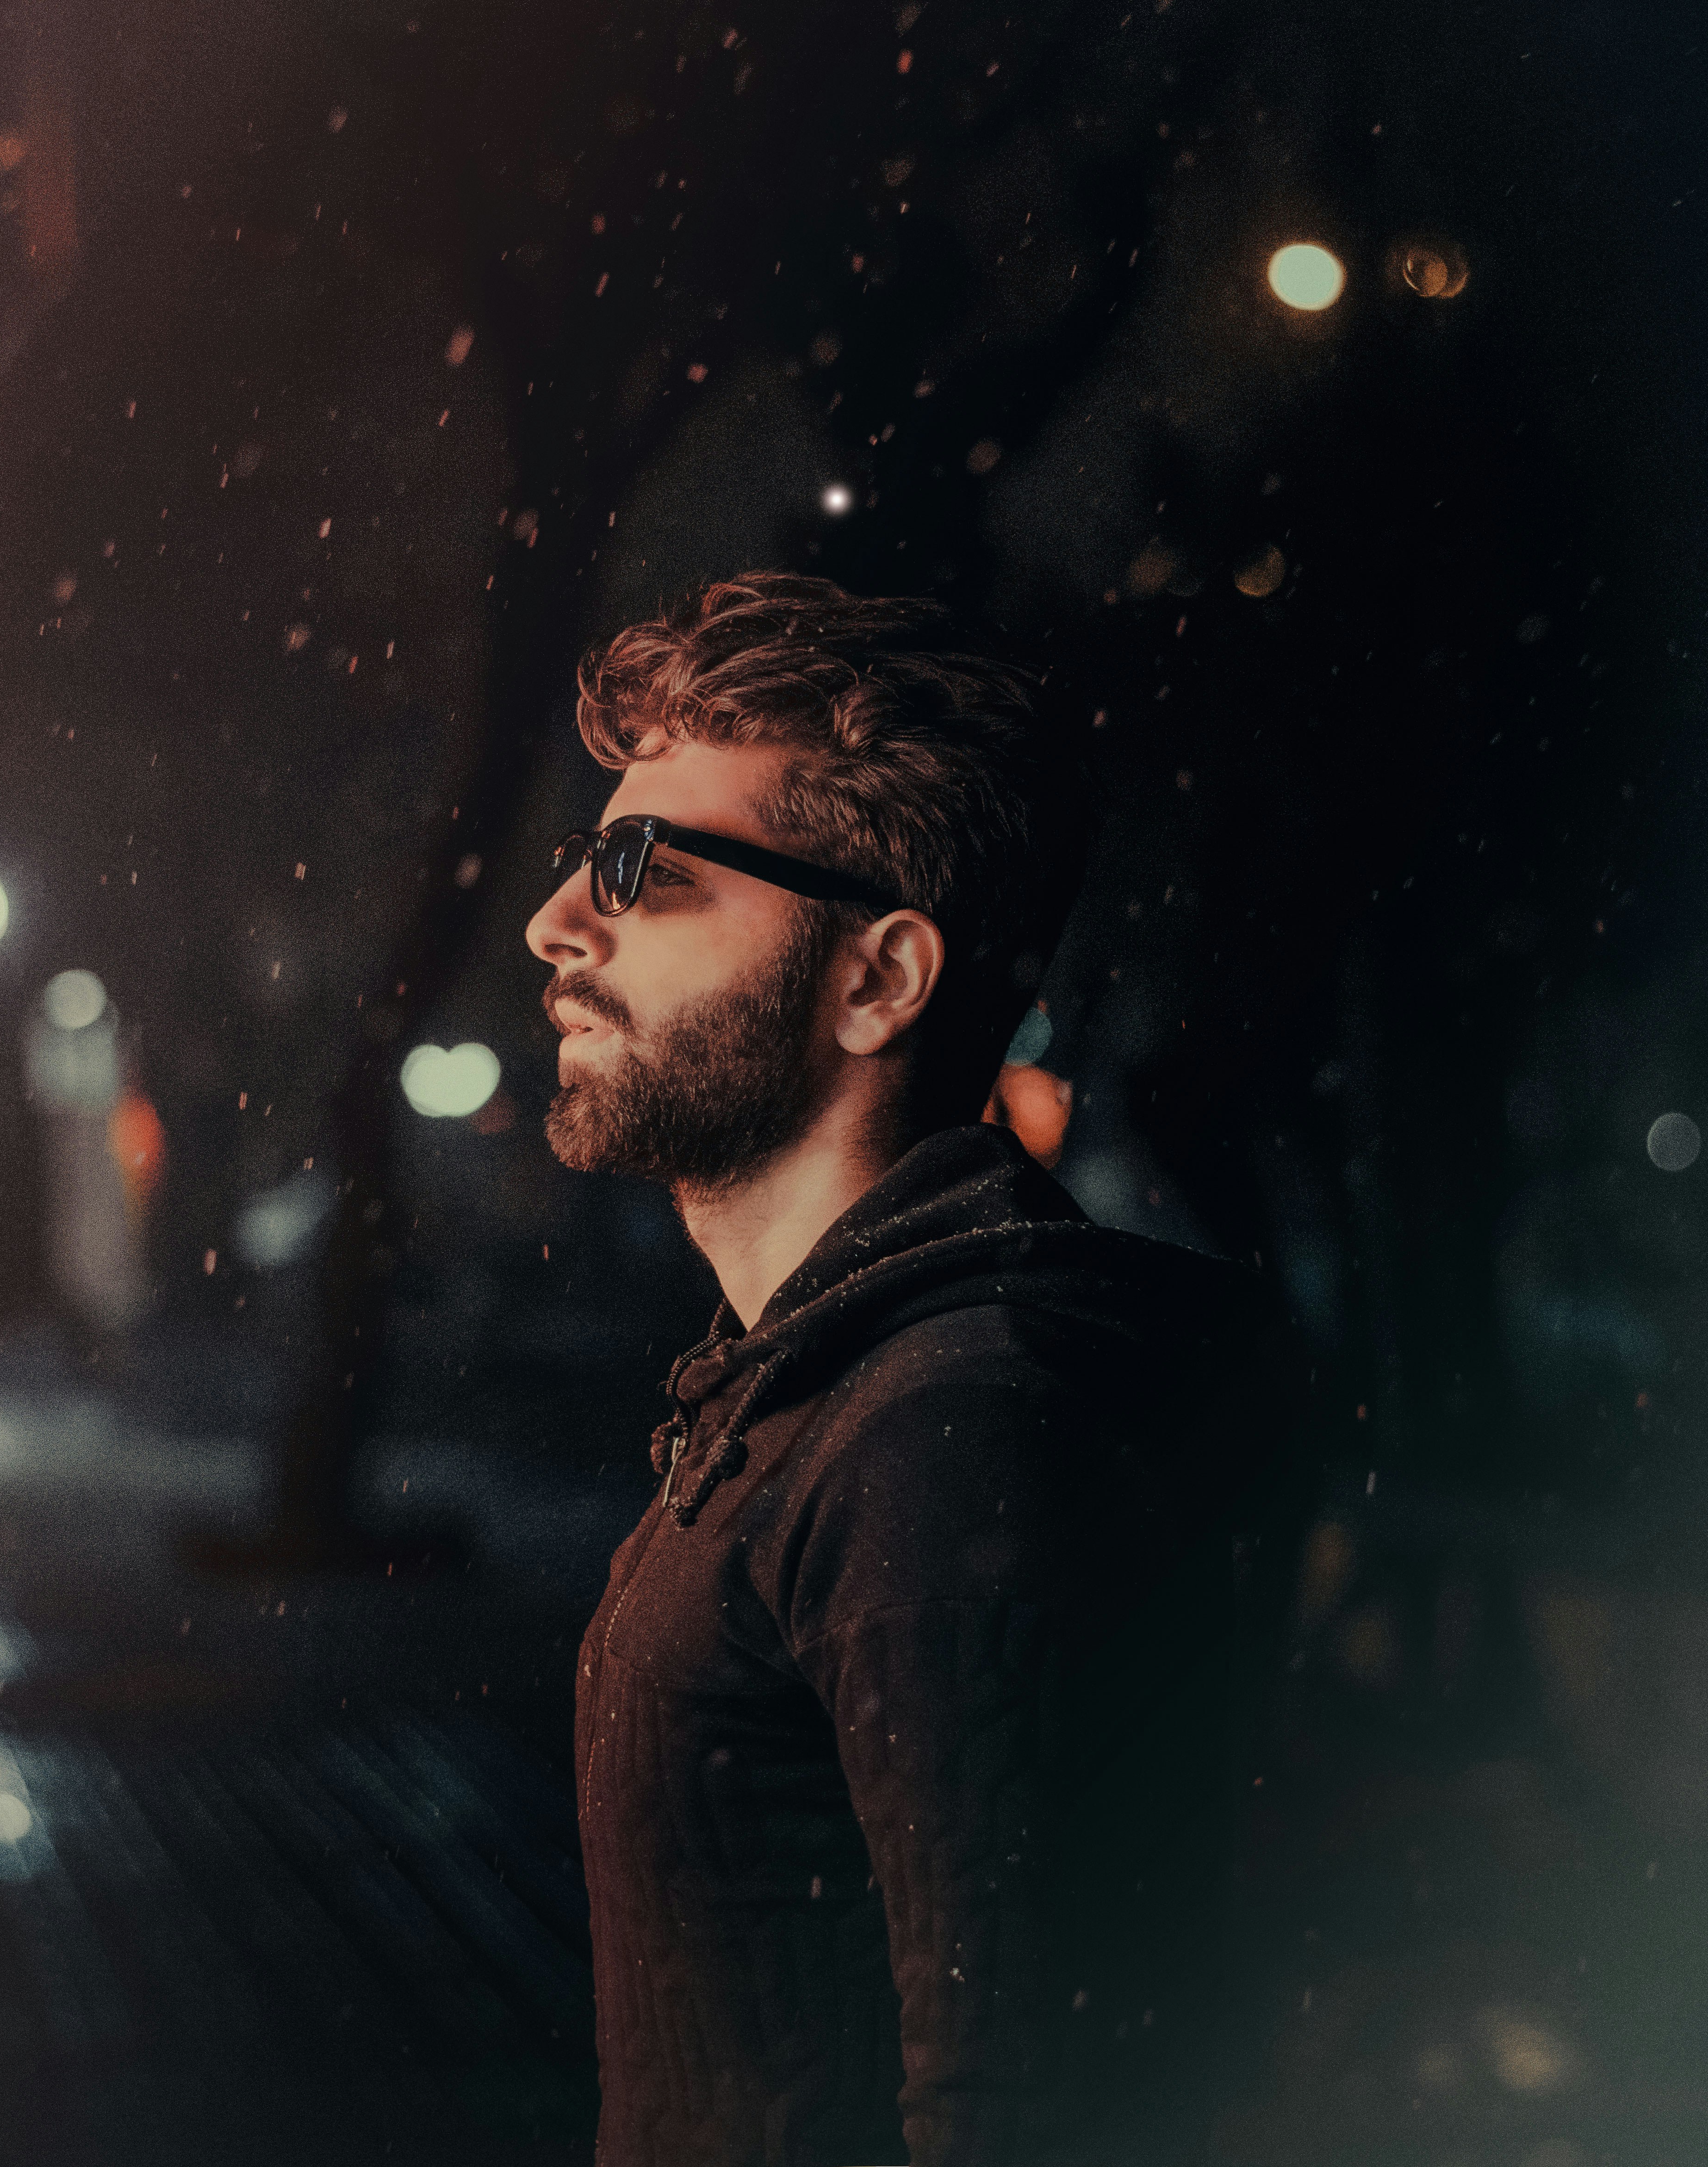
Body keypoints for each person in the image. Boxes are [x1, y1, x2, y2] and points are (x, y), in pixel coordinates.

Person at [524, 572, 1267, 2167]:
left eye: (637, 866)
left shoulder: (943, 1432)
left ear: (879, 978)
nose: (557, 921)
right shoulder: (801, 1400)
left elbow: (1032, 2111)